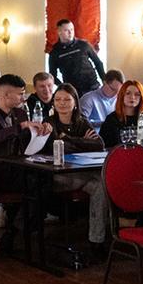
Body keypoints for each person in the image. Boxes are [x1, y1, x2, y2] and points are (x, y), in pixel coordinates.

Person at [0, 74, 52, 265]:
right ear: (6, 95)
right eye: (20, 94)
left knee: (40, 183)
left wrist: (42, 130)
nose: (23, 98)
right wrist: (20, 127)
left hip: (14, 167)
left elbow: (25, 140)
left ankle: (14, 230)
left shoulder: (20, 113)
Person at [44, 84, 108, 252]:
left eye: (67, 99)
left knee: (101, 186)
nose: (62, 103)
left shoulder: (81, 121)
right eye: (58, 100)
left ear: (75, 103)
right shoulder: (49, 122)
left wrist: (69, 138)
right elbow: (57, 145)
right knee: (100, 178)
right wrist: (82, 142)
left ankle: (97, 240)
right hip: (57, 177)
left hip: (80, 174)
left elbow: (99, 144)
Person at [47, 19, 104, 94]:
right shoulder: (55, 52)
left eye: (72, 29)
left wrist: (104, 81)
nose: (70, 33)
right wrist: (64, 87)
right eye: (66, 30)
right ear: (59, 32)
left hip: (92, 86)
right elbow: (52, 75)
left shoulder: (84, 44)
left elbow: (98, 63)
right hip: (74, 91)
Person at [99, 80, 143, 148]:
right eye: (128, 93)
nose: (132, 97)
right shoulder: (111, 119)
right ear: (122, 96)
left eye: (137, 94)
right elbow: (105, 146)